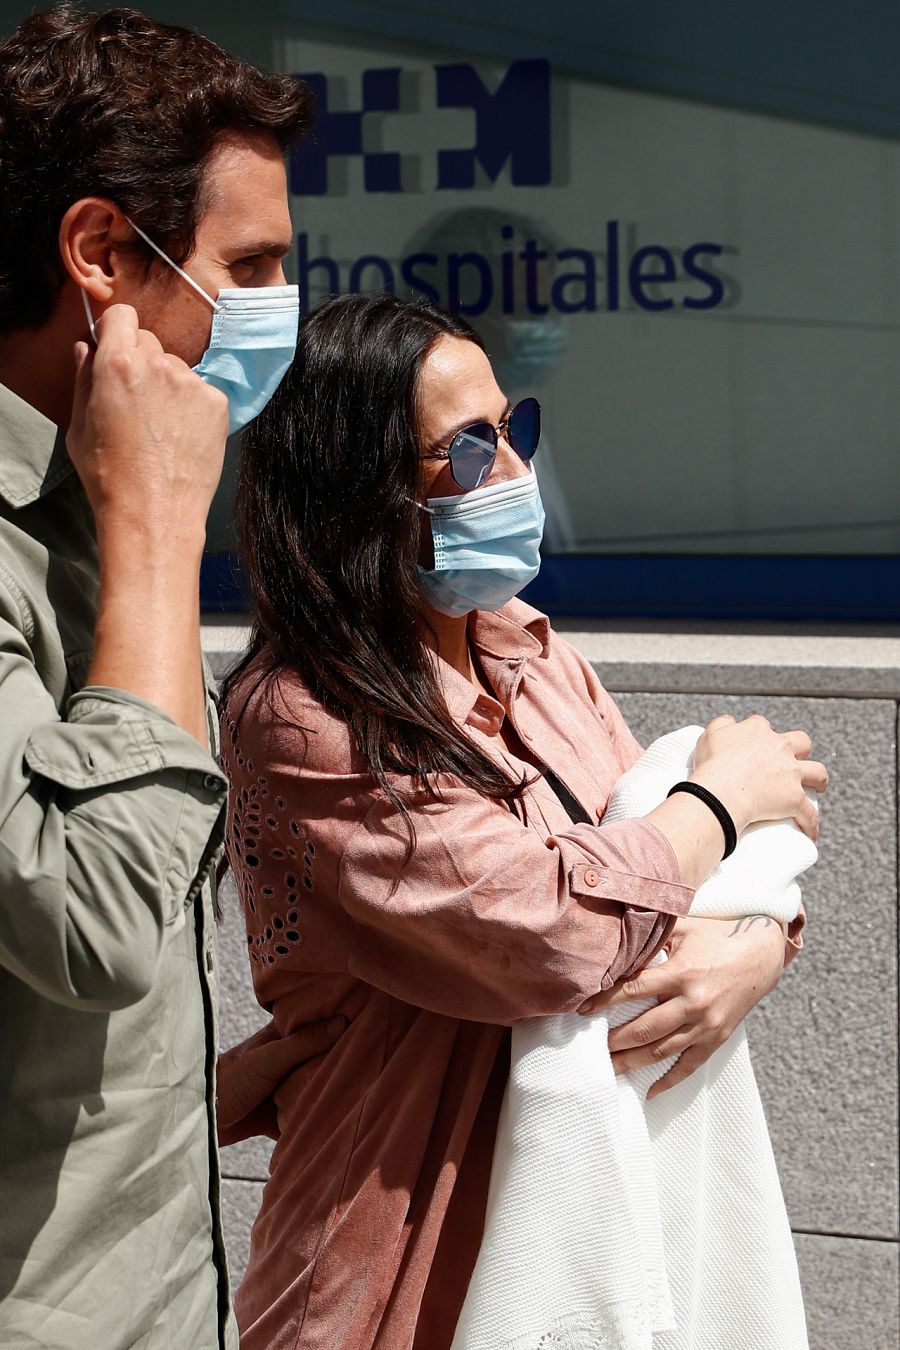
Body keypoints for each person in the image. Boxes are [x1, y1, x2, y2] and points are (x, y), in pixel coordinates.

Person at [220, 292, 826, 1350]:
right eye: (464, 452)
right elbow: (554, 932)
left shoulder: (534, 653)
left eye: (516, 430)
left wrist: (757, 947)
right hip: (399, 1264)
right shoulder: (304, 719)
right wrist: (722, 801)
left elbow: (666, 874)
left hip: (592, 1228)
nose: (510, 472)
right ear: (357, 489)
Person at [0, 9, 339, 1349]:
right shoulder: (123, 518)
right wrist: (156, 534)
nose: (272, 314)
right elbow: (91, 919)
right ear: (98, 254)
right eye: (244, 266)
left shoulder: (86, 503)